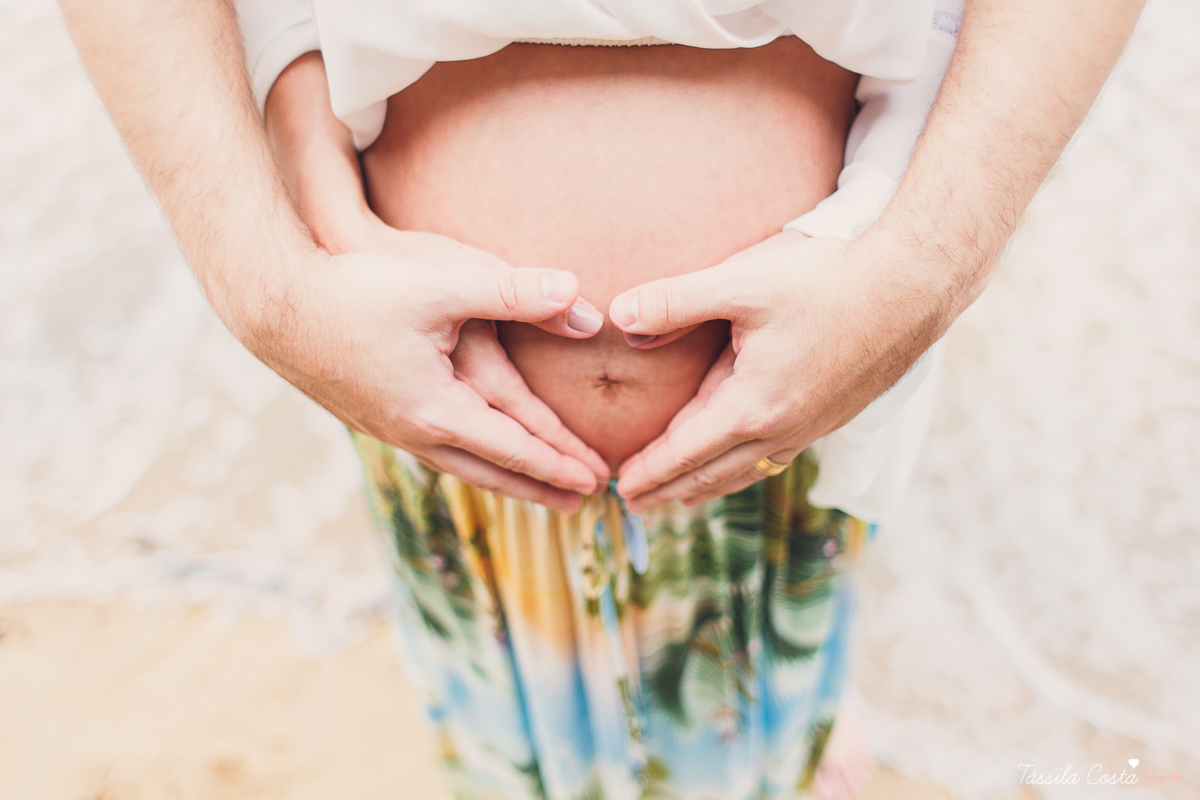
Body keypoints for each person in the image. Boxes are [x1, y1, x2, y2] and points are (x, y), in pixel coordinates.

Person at [56, 0, 1145, 798]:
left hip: (817, 365)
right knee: (501, 722)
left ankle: (793, 741)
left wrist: (924, 265)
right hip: (420, 381)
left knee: (776, 690)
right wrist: (263, 279)